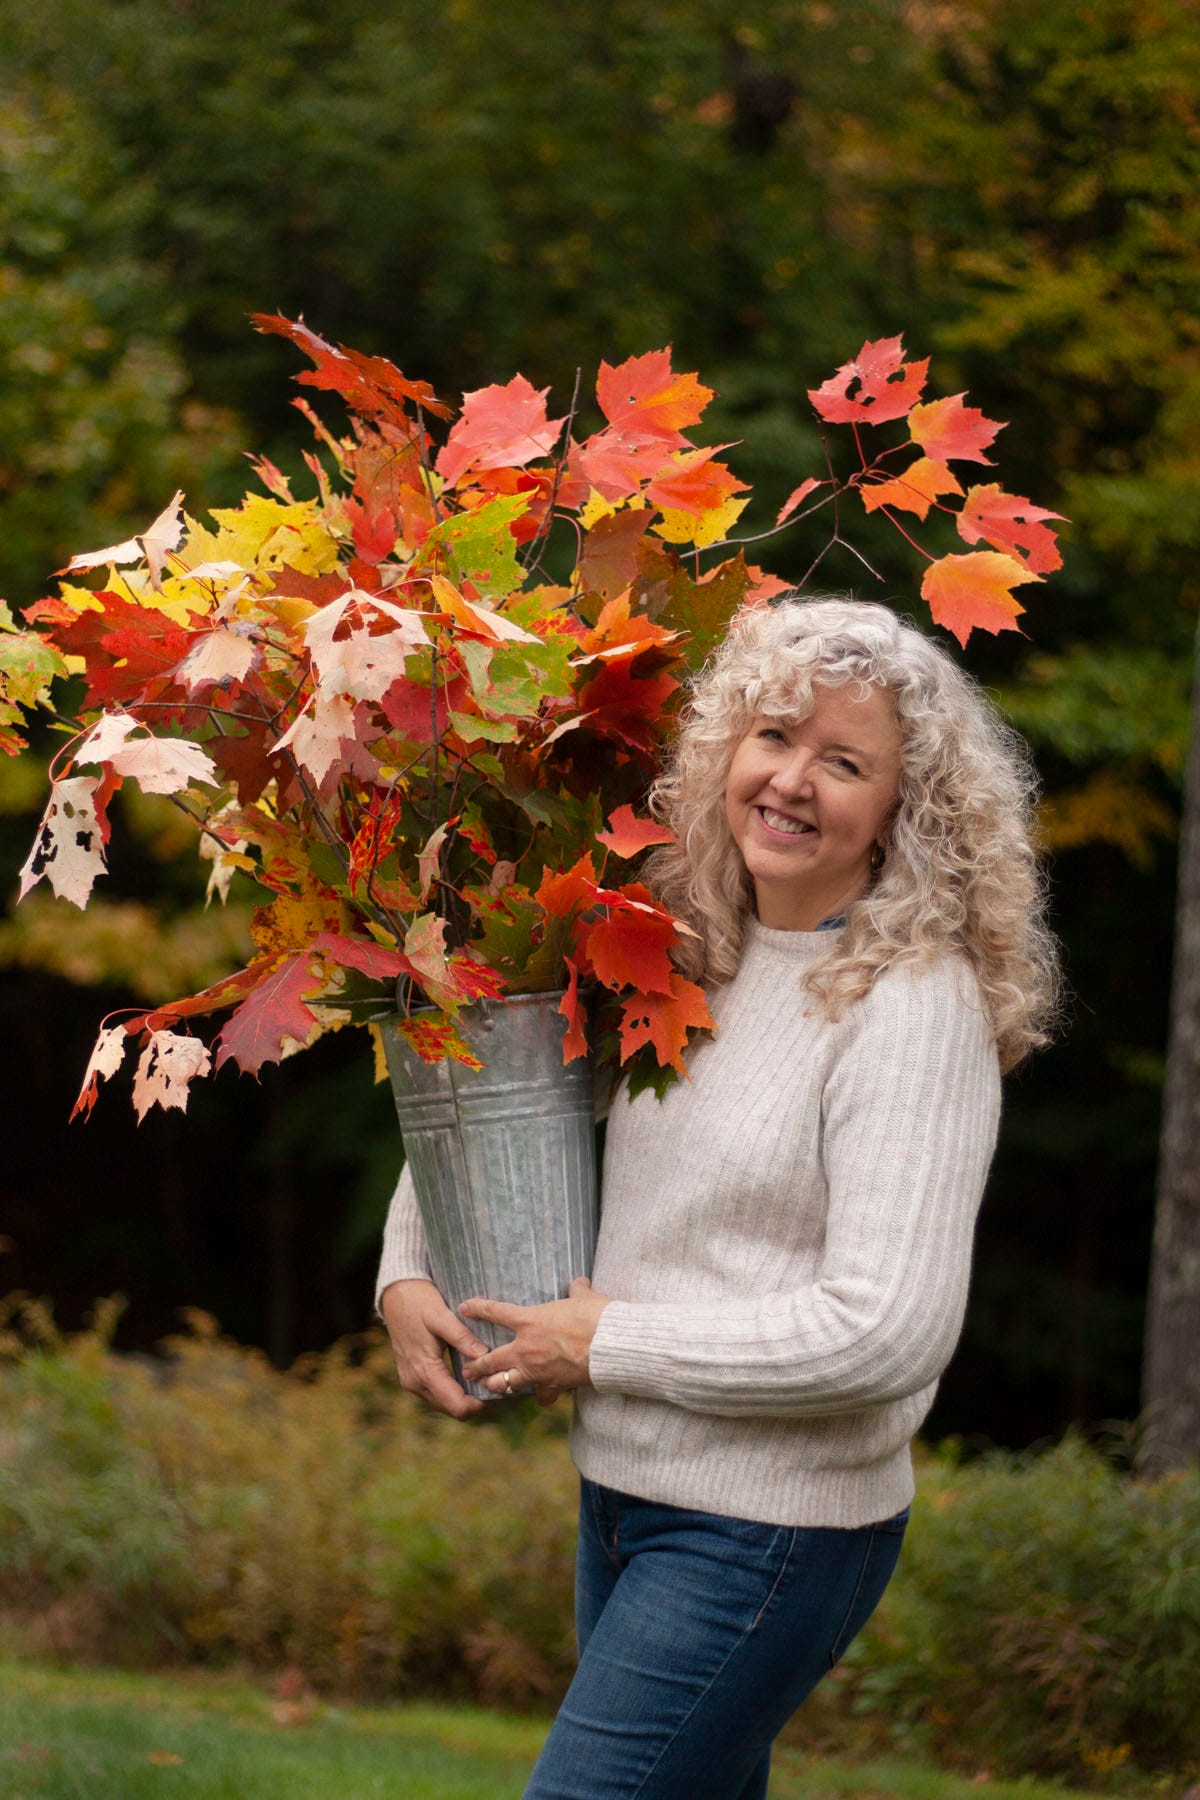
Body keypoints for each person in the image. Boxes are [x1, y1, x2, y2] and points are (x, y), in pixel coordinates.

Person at [376, 596, 1060, 1799]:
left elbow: (888, 1330)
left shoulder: (909, 1009)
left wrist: (611, 1344)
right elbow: (503, 1090)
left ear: (909, 810)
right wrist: (408, 1267)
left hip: (773, 1535)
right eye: (774, 737)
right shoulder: (677, 942)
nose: (793, 782)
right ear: (725, 749)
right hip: (624, 1499)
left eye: (845, 763)